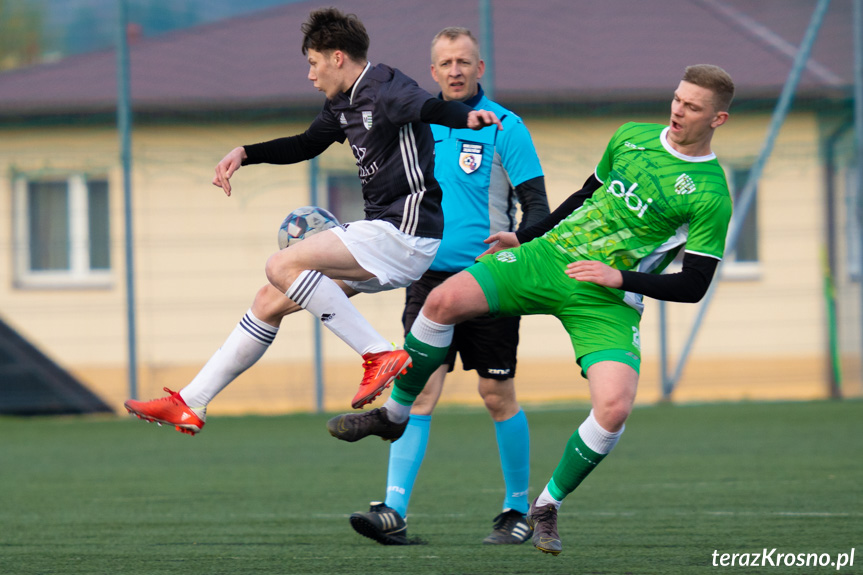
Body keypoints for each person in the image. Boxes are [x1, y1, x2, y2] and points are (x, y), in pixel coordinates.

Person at [328, 64, 735, 555]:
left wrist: (619, 277)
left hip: (606, 297)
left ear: (718, 119)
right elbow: (586, 195)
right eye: (677, 98)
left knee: (613, 408)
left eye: (692, 107)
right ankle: (394, 415)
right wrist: (524, 236)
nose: (677, 110)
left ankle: (544, 506)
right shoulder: (631, 137)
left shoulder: (712, 194)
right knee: (439, 303)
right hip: (545, 257)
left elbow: (694, 285)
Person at [123, 8, 501, 435]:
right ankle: (192, 401)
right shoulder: (342, 103)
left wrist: (464, 117)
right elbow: (306, 144)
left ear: (337, 57)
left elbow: (427, 106)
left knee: (281, 265)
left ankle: (378, 353)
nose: (310, 74)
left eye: (313, 63)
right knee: (270, 298)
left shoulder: (386, 88)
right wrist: (245, 152)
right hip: (387, 236)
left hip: (406, 232)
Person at [347, 27, 549, 547]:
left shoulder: (507, 126)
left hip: (492, 281)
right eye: (445, 63)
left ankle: (516, 511)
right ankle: (393, 511)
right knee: (417, 393)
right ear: (431, 72)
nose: (455, 70)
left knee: (496, 393)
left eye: (464, 61)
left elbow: (540, 208)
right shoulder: (415, 124)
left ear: (480, 68)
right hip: (427, 281)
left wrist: (518, 242)